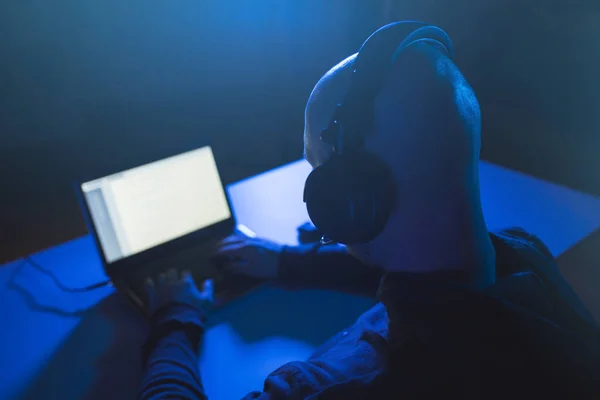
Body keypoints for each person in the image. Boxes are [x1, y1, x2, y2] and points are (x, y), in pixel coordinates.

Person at [137, 22, 600, 399]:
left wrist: (174, 319)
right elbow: (430, 285)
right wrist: (281, 261)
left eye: (317, 170)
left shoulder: (331, 387)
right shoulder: (525, 262)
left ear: (348, 198)